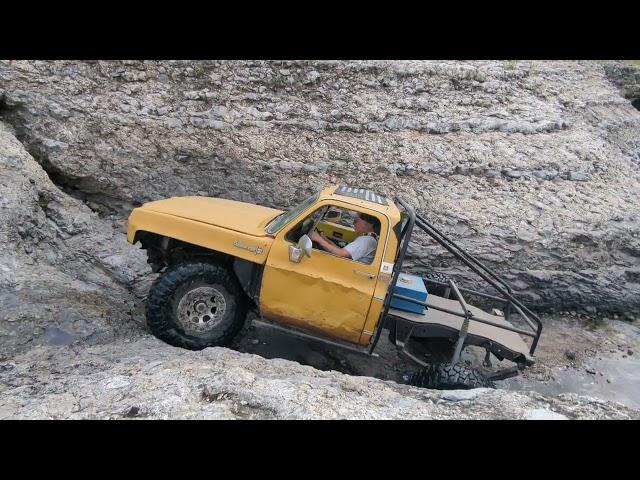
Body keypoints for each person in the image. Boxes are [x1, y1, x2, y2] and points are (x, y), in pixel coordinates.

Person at [309, 212, 380, 264]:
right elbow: (341, 250)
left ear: (368, 224)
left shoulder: (366, 240)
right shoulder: (368, 238)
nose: (353, 222)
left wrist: (318, 239)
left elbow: (341, 254)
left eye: (356, 220)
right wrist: (324, 238)